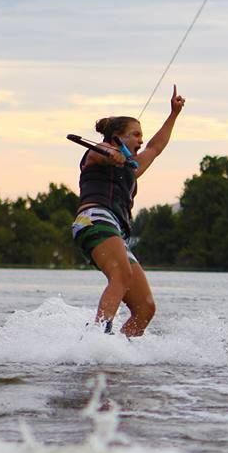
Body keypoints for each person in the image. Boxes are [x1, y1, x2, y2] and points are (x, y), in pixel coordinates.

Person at [71, 85, 185, 336]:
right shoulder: (95, 153)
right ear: (116, 138)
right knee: (121, 275)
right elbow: (103, 153)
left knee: (145, 307)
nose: (140, 140)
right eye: (135, 135)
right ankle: (98, 337)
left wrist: (174, 114)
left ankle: (120, 352)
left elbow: (155, 147)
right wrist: (113, 154)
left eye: (140, 136)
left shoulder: (131, 167)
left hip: (116, 233)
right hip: (93, 220)